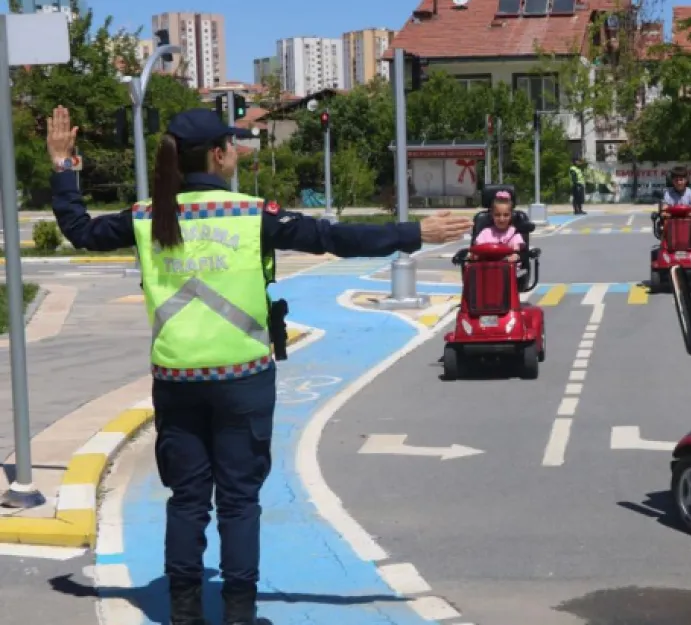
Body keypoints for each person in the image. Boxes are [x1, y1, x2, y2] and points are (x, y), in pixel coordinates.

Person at [45, 106, 472, 625]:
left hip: (176, 381)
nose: (237, 153)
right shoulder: (250, 215)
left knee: (186, 499)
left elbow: (79, 229)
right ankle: (240, 615)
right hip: (242, 381)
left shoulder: (143, 217)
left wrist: (64, 167)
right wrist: (412, 234)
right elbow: (331, 239)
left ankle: (183, 614)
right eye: (233, 145)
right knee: (239, 501)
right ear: (219, 155)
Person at [471, 190, 524, 263]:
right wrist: (474, 255)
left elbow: (516, 253)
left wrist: (514, 256)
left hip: (507, 269)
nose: (501, 219)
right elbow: (477, 249)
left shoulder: (514, 233)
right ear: (492, 215)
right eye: (497, 215)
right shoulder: (485, 233)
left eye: (506, 215)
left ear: (511, 216)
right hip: (487, 268)